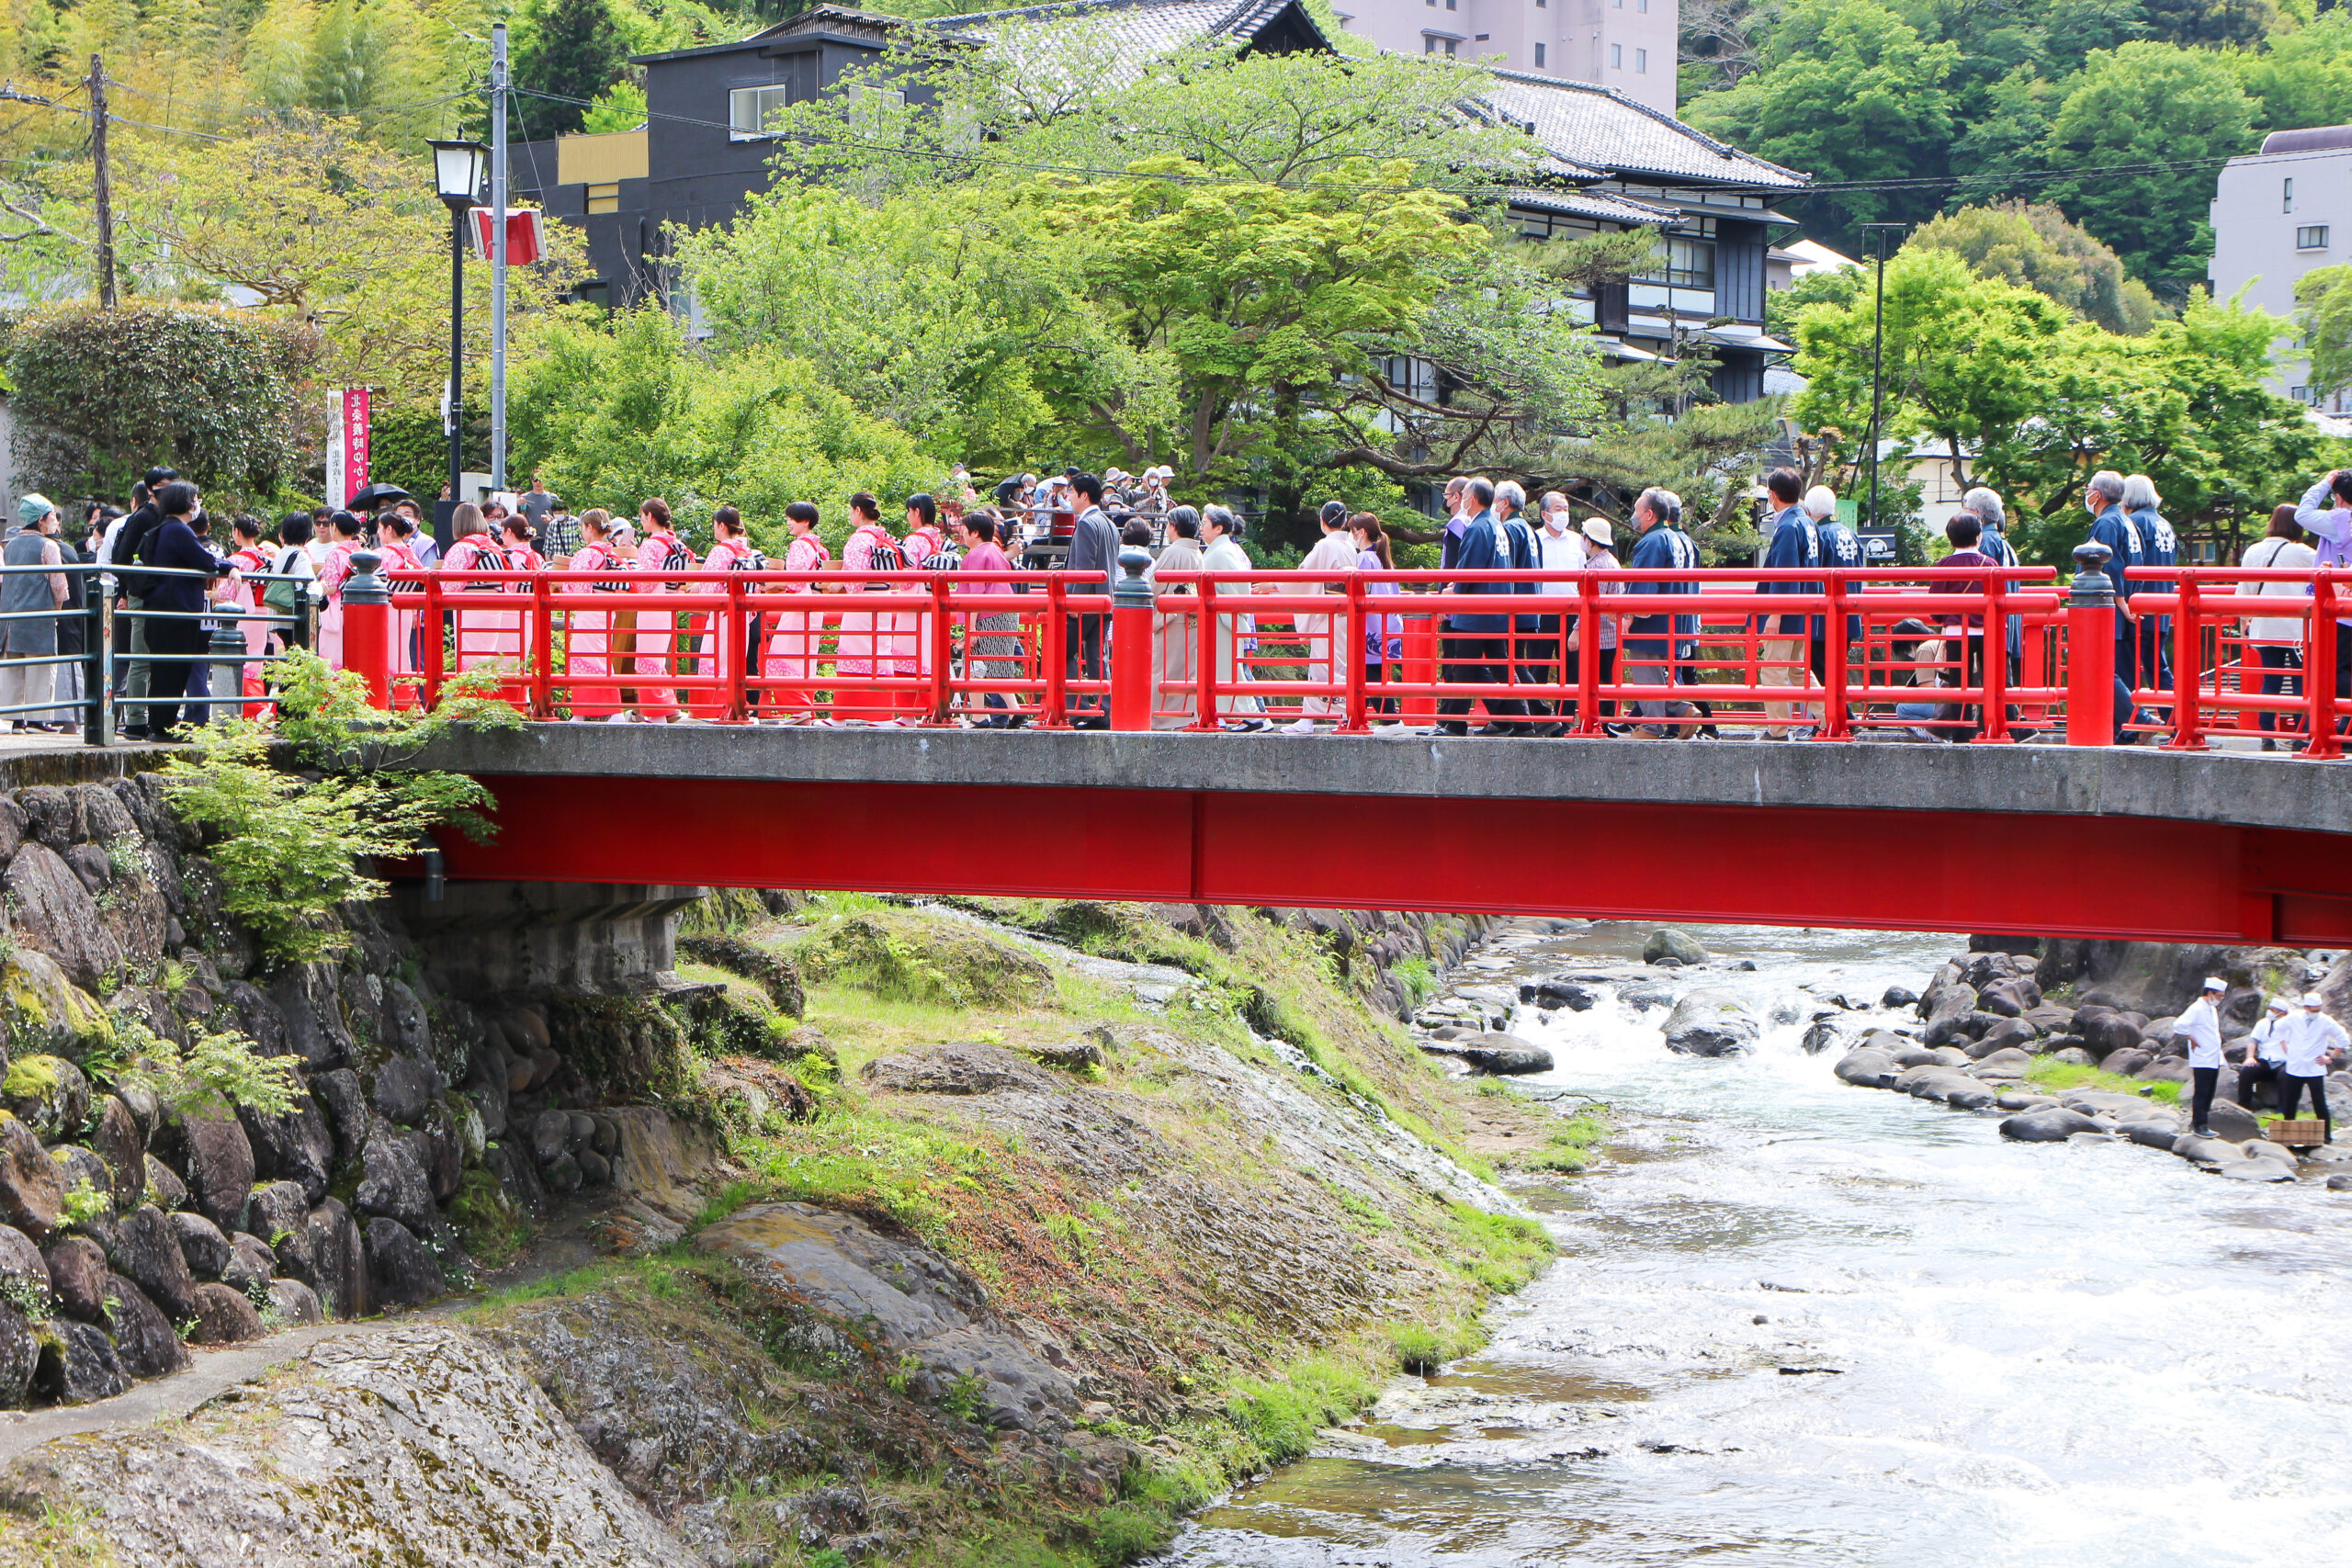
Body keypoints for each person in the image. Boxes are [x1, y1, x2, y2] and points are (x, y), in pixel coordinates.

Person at [1436, 477, 1530, 738]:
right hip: (1496, 608)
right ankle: (1521, 718)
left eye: (1464, 495)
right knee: (1501, 666)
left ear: (1473, 498)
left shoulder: (1477, 528)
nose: (1462, 500)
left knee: (1464, 665)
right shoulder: (1497, 525)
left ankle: (1455, 723)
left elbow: (1468, 571)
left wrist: (1453, 591)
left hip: (1476, 612)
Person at [141, 482, 230, 739]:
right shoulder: (179, 531)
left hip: (162, 609)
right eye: (195, 498)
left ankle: (160, 725)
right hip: (176, 611)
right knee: (174, 669)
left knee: (164, 670)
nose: (197, 503)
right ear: (186, 503)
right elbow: (203, 560)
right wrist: (228, 567)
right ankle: (163, 727)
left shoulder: (164, 529)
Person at [1623, 487, 1702, 736]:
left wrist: (1627, 615)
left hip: (1653, 622)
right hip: (1676, 618)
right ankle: (1682, 709)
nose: (1634, 515)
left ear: (1649, 514)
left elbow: (1643, 585)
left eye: (1637, 510)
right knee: (1658, 674)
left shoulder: (1652, 541)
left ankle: (1652, 725)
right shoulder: (1677, 538)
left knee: (1646, 673)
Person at [837, 491, 915, 725]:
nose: (851, 515)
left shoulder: (859, 539)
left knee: (853, 652)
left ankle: (842, 714)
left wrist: (838, 582)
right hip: (882, 599)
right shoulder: (886, 537)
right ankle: (881, 714)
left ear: (858, 511)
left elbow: (855, 581)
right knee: (879, 656)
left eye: (851, 510)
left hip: (861, 602)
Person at [1756, 468, 1822, 740]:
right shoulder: (1808, 522)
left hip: (1784, 613)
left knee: (1773, 671)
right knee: (1798, 671)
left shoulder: (1787, 526)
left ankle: (1779, 729)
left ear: (1773, 496)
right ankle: (1832, 716)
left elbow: (1784, 573)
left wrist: (1775, 613)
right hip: (1804, 608)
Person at [2245, 504, 2317, 750]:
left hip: (2265, 626)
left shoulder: (2253, 550)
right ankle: (2301, 734)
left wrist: (2244, 621)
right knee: (2301, 681)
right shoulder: (2305, 553)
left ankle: (2267, 735)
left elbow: (2244, 591)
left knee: (2271, 680)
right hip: (2298, 628)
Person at [1287, 500, 1360, 734]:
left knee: (1321, 665)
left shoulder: (1324, 546)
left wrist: (1275, 584)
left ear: (1322, 521)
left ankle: (1309, 718)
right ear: (1344, 521)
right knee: (1340, 664)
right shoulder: (1350, 546)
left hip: (1328, 612)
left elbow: (1302, 576)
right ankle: (1344, 714)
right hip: (1344, 614)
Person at [1926, 512, 1999, 741]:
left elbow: (1935, 606)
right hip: (1987, 631)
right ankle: (1988, 728)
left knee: (1960, 683)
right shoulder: (1990, 564)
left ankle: (1960, 731)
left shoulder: (1945, 564)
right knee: (1990, 681)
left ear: (1950, 539)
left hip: (1958, 632)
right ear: (1979, 537)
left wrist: (1943, 620)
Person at [0, 496, 70, 734]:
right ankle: (39, 720)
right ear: (41, 520)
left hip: (10, 618)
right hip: (39, 616)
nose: (54, 521)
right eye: (51, 516)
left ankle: (16, 720)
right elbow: (59, 588)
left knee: (14, 669)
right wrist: (55, 616)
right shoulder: (49, 546)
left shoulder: (11, 546)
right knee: (41, 668)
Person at [2083, 469, 2143, 742]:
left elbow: (2112, 568)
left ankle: (2136, 718)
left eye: (2089, 489)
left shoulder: (2106, 523)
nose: (2087, 493)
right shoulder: (2127, 521)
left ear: (2099, 494)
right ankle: (2126, 727)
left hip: (2110, 607)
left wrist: (2120, 602)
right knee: (2121, 670)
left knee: (2104, 669)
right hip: (2129, 603)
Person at [762, 501, 831, 724]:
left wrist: (775, 584)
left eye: (794, 519)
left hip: (799, 605)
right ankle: (805, 709)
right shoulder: (821, 549)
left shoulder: (799, 546)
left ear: (806, 522)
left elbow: (795, 578)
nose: (789, 523)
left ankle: (798, 708)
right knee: (805, 661)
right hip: (816, 605)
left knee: (779, 659)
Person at [1061, 474, 1119, 725]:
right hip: (1105, 601)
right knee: (1097, 657)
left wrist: (1075, 601)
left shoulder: (1086, 524)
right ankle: (1105, 710)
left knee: (1062, 653)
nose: (1068, 496)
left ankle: (1078, 708)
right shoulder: (1109, 524)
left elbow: (1084, 567)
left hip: (1084, 604)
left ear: (1084, 495)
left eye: (1071, 492)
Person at [2292, 469, 2352, 715]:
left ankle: (2338, 730)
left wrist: (2324, 483)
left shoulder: (2339, 520)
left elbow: (2302, 514)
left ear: (2338, 497)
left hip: (2338, 606)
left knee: (2332, 668)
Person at [1202, 505, 1265, 730]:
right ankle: (1251, 716)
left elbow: (1235, 589)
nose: (1201, 528)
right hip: (1225, 617)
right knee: (1228, 669)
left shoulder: (1220, 552)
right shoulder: (1223, 549)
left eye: (1205, 523)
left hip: (1224, 618)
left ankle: (1253, 716)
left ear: (1218, 528)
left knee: (1229, 669)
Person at [1527, 491, 1585, 736]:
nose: (1564, 514)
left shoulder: (1577, 541)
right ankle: (1538, 717)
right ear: (1544, 514)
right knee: (1536, 666)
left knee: (1571, 669)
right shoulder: (1533, 539)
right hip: (1541, 612)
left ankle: (1566, 718)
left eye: (1566, 509)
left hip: (1571, 613)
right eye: (1558, 509)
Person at [957, 512, 1023, 728]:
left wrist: (972, 628)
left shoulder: (975, 556)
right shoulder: (996, 551)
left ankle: (988, 715)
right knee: (996, 665)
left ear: (974, 533)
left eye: (964, 529)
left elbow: (976, 593)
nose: (961, 533)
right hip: (1007, 612)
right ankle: (1001, 713)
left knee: (978, 664)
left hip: (987, 614)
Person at [633, 497, 695, 720]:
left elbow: (646, 580)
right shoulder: (677, 544)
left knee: (647, 659)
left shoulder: (651, 544)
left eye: (642, 516)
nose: (641, 521)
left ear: (650, 517)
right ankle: (667, 706)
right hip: (671, 602)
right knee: (656, 658)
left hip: (652, 603)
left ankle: (656, 712)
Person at [562, 510, 626, 720]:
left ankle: (598, 711)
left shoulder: (588, 554)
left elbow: (574, 588)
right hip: (607, 609)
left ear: (589, 528)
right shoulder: (611, 553)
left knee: (586, 659)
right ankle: (602, 711)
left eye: (583, 527)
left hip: (589, 609)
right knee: (600, 658)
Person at [2123, 473, 2177, 701]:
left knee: (2127, 667)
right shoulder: (2165, 524)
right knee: (2158, 666)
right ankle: (2173, 716)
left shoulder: (2135, 522)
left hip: (2139, 606)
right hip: (2162, 606)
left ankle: (2129, 719)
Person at [1352, 513, 1404, 723]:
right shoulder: (1384, 559)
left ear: (1361, 533)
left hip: (1371, 625)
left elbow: (1360, 591)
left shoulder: (1365, 558)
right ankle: (1382, 716)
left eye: (1352, 531)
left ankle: (1389, 718)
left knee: (1369, 671)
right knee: (1376, 672)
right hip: (1388, 623)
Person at [1569, 516, 1623, 721]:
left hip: (1597, 634)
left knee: (1595, 679)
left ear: (1590, 540)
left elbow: (1589, 604)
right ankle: (1606, 720)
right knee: (1605, 679)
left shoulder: (1595, 566)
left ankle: (1596, 720)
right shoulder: (1611, 562)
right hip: (1610, 633)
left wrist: (1576, 631)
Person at [2278, 991, 2346, 1141]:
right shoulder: (2294, 1018)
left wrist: (2331, 1058)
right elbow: (2278, 1029)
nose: (2316, 1013)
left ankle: (2326, 1136)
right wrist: (2285, 1047)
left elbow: (2343, 1038)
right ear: (2306, 1007)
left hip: (2315, 1067)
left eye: (2318, 1009)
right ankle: (2287, 1135)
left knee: (2319, 1101)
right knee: (2290, 1101)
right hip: (2295, 1066)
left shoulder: (2326, 1021)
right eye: (2313, 1010)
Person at [2177, 975, 2227, 1139]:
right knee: (2202, 1091)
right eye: (2219, 996)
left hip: (2213, 1056)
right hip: (2202, 1057)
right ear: (2210, 994)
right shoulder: (2197, 1008)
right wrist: (2191, 1038)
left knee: (2210, 1091)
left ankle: (2204, 1123)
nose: (2220, 999)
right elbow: (2179, 1025)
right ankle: (2199, 1125)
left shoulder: (2212, 1009)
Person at [2239, 996, 2291, 1112]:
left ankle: (2283, 1109)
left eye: (2274, 1010)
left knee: (2286, 1075)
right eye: (2270, 1009)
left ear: (2282, 1013)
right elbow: (2253, 1041)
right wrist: (2250, 1057)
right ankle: (2244, 1106)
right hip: (2265, 1061)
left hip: (2283, 1061)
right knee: (2247, 1071)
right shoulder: (2262, 1024)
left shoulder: (2290, 1026)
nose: (2270, 1012)